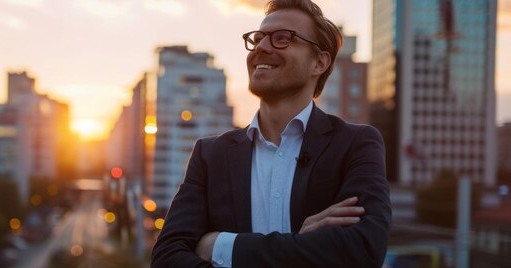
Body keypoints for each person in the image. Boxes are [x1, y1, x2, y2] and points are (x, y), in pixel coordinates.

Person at [151, 0, 391, 267]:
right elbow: (166, 258)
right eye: (258, 39)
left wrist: (222, 245)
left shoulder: (355, 144)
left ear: (319, 62)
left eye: (282, 38)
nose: (262, 47)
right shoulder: (210, 155)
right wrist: (300, 242)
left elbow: (363, 250)